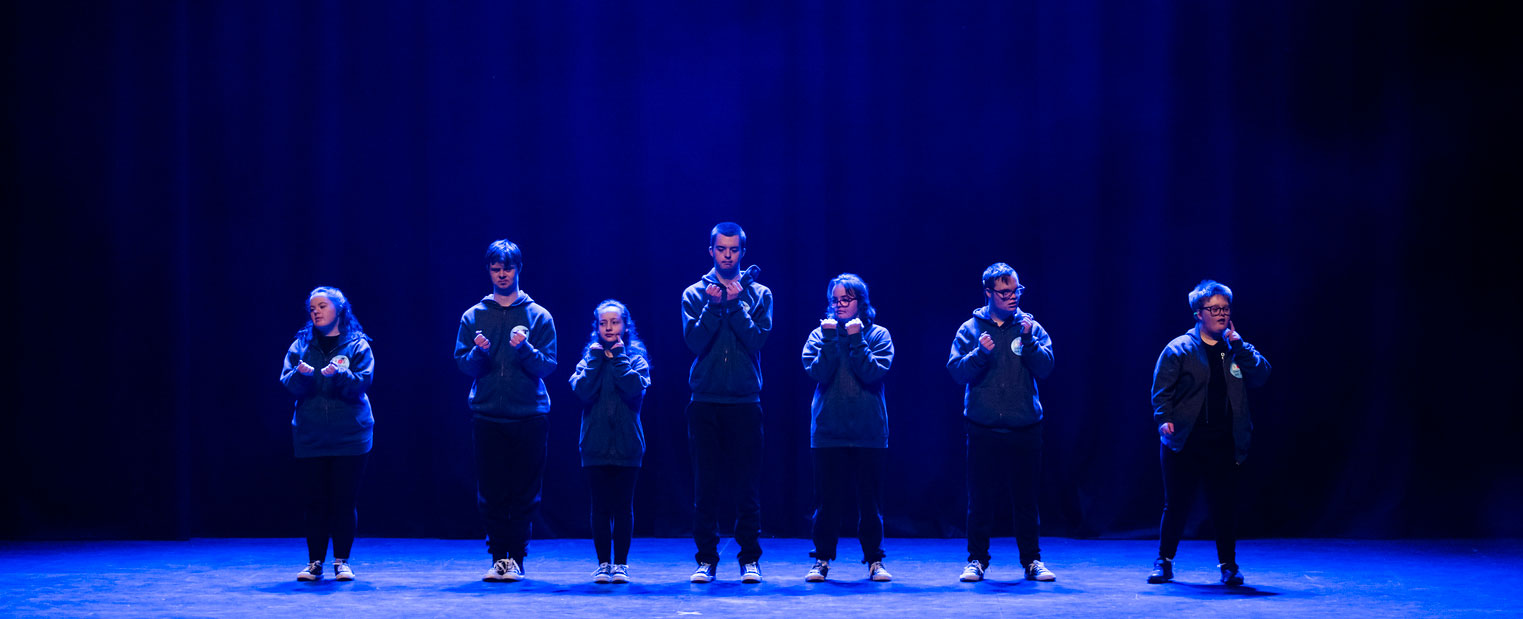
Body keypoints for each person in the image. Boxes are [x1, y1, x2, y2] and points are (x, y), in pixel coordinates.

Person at [1147, 280, 1271, 586]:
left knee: (1223, 504)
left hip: (1224, 440)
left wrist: (1240, 346)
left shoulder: (1235, 348)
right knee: (1176, 503)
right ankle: (1164, 561)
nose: (1221, 314)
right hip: (1186, 440)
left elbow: (1262, 374)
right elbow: (1161, 392)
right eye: (1214, 308)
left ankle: (1228, 565)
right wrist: (1163, 419)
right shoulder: (1180, 349)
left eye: (1225, 308)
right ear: (1198, 313)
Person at [454, 239, 558, 582]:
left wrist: (525, 349)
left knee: (524, 490)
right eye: (496, 269)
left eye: (507, 268)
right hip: (488, 414)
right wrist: (479, 353)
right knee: (492, 489)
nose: (502, 274)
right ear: (489, 270)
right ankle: (499, 556)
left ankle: (518, 556)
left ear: (519, 269)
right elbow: (464, 365)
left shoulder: (539, 315)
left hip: (529, 414)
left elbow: (547, 366)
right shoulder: (474, 315)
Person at [946, 263, 1058, 583]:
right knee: (980, 500)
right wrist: (980, 353)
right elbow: (956, 371)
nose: (1012, 297)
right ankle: (977, 560)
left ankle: (1032, 561)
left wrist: (1029, 339)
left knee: (1025, 501)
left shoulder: (1030, 326)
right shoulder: (970, 329)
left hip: (1025, 426)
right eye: (1005, 292)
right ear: (988, 293)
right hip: (982, 427)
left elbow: (1046, 368)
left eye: (1016, 291)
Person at [681, 221, 773, 584]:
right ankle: (706, 559)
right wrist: (713, 307)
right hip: (705, 402)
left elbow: (756, 341)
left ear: (742, 252)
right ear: (711, 252)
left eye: (734, 250)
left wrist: (734, 306)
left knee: (746, 486)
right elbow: (694, 342)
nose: (728, 255)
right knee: (706, 485)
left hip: (745, 402)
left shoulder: (761, 294)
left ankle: (749, 558)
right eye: (722, 249)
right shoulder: (694, 293)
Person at [799, 273, 894, 582]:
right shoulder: (819, 336)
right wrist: (830, 339)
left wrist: (855, 339)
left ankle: (874, 560)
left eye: (846, 299)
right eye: (835, 300)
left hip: (868, 432)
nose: (839, 305)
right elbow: (819, 372)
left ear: (860, 302)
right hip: (829, 432)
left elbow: (871, 373)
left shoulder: (878, 335)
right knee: (826, 503)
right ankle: (822, 559)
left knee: (870, 504)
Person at [278, 286, 375, 582]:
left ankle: (342, 561)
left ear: (338, 310)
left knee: (344, 501)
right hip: (311, 435)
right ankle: (315, 562)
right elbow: (288, 383)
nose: (316, 311)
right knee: (315, 502)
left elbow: (362, 383)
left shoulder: (357, 345)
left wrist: (341, 374)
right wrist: (301, 375)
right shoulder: (301, 345)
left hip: (350, 436)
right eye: (312, 308)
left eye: (322, 306)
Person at [568, 300, 652, 584]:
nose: (609, 327)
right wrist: (595, 360)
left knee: (623, 507)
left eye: (614, 322)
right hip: (594, 445)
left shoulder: (636, 359)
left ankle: (621, 564)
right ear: (597, 327)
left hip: (628, 445)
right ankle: (603, 563)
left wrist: (618, 358)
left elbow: (632, 390)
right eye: (603, 323)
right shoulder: (589, 358)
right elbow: (581, 390)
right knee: (600, 507)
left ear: (625, 325)